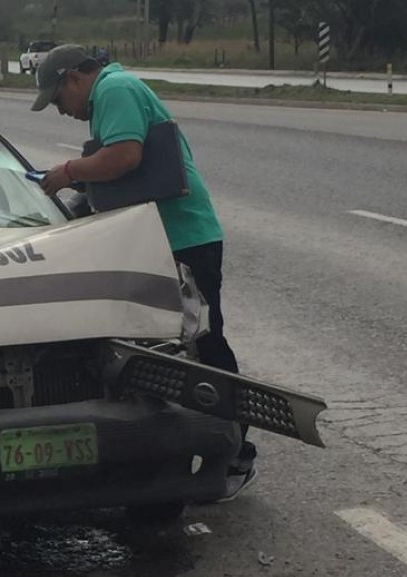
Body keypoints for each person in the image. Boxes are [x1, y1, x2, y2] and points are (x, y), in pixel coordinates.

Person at [31, 45, 256, 501]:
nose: (63, 111)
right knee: (172, 342)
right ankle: (188, 442)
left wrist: (69, 172)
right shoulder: (113, 93)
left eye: (59, 99)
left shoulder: (115, 88)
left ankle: (234, 446)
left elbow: (125, 157)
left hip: (183, 237)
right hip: (159, 237)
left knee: (203, 340)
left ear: (76, 78)